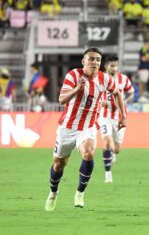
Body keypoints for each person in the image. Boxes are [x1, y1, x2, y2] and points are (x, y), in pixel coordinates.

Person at [44, 48, 127, 211]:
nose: (94, 62)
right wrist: (77, 89)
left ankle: (80, 193)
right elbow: (61, 99)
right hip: (67, 128)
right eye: (91, 59)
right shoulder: (73, 75)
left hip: (88, 127)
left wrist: (123, 116)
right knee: (58, 165)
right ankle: (53, 192)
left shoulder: (105, 79)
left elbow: (117, 93)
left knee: (89, 153)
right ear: (83, 61)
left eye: (97, 60)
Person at [99, 54, 134, 183]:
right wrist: (99, 103)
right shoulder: (100, 78)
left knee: (117, 149)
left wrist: (124, 101)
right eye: (112, 65)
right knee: (107, 142)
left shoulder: (123, 79)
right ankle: (107, 173)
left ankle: (112, 154)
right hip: (104, 116)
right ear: (106, 66)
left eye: (116, 65)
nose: (114, 68)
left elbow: (131, 92)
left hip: (119, 117)